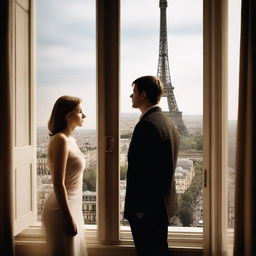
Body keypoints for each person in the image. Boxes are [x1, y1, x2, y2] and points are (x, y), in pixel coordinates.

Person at [124, 76, 180, 256]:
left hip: (147, 212)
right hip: (162, 207)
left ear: (143, 95)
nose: (130, 96)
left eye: (134, 92)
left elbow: (140, 173)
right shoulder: (168, 123)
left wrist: (140, 211)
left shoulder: (147, 125)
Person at [42, 95, 87, 256]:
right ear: (68, 115)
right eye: (80, 112)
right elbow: (58, 183)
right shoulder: (60, 140)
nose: (84, 115)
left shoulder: (70, 139)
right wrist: (68, 218)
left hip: (71, 207)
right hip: (61, 210)